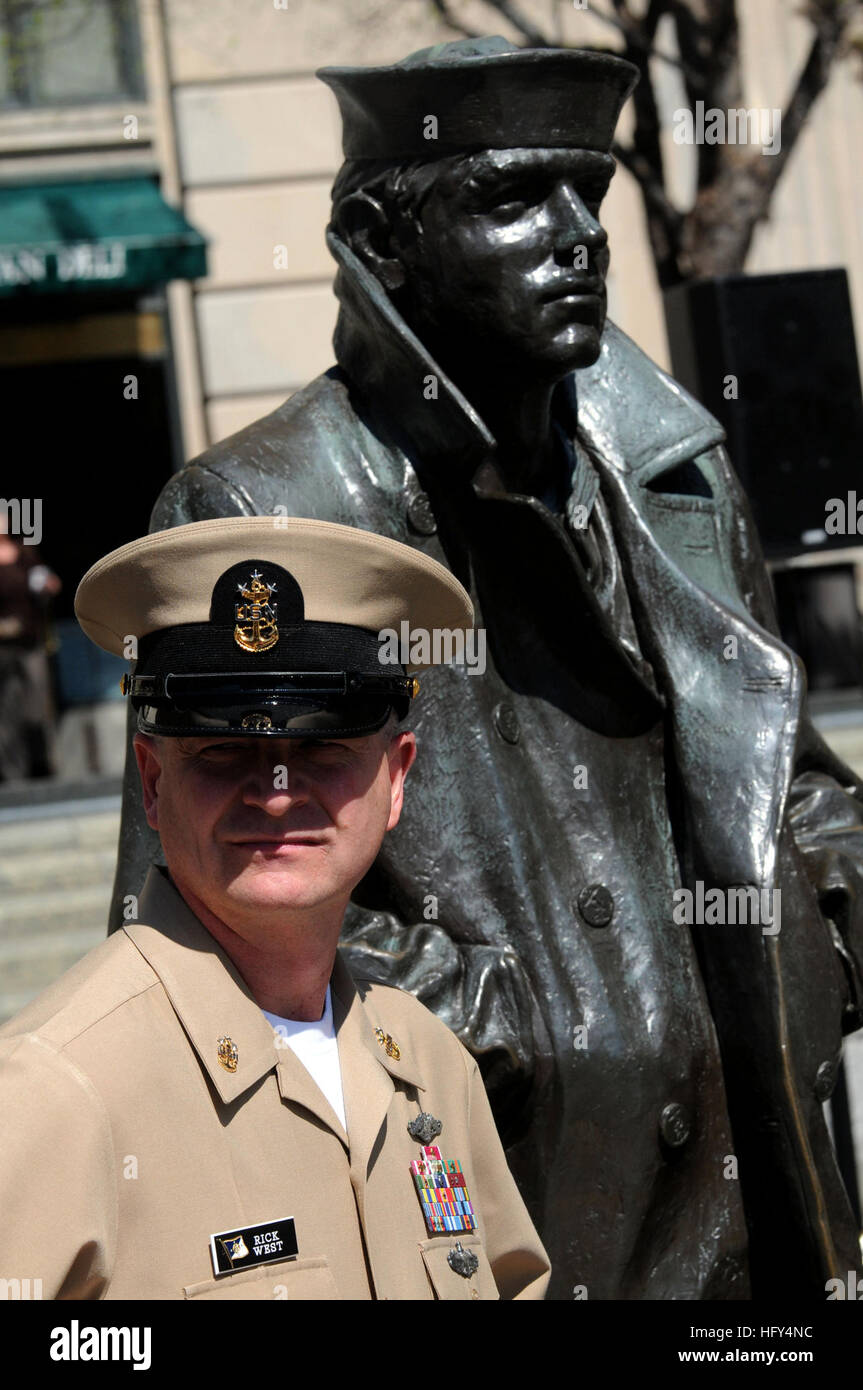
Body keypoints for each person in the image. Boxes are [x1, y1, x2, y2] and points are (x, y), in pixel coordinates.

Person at [109, 38, 863, 1299]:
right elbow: (189, 900)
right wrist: (495, 1028)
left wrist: (814, 935)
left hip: (761, 1222)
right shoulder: (265, 510)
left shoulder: (678, 468)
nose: (577, 235)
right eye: (512, 200)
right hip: (508, 1223)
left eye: (588, 192)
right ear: (379, 238)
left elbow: (798, 787)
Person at [0, 515, 550, 1300]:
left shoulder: (429, 1066)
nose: (277, 790)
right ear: (153, 783)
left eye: (323, 747)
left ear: (396, 780)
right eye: (224, 748)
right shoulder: (51, 1093)